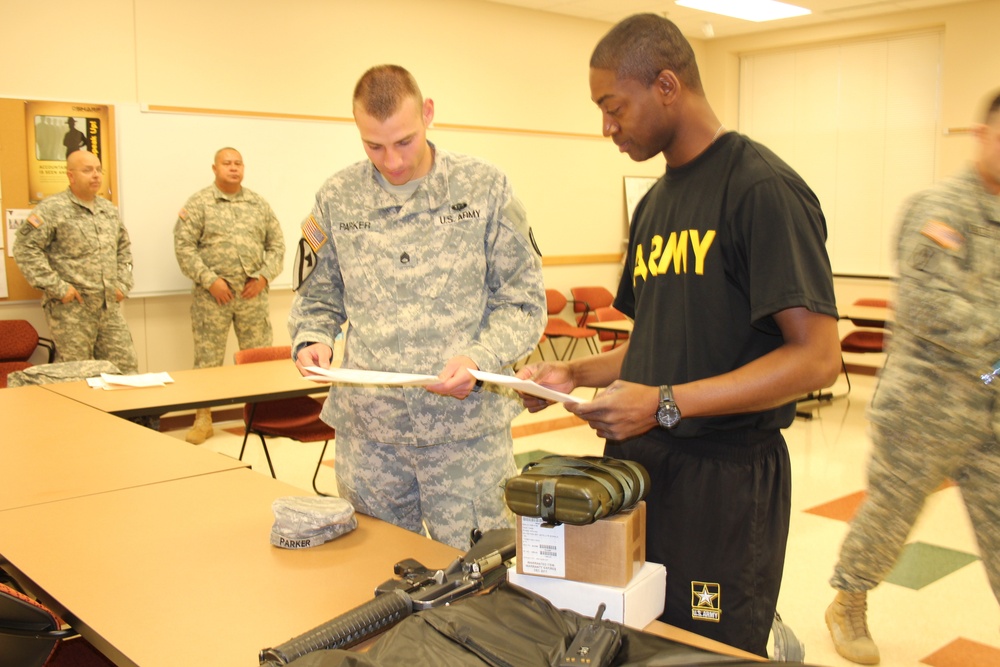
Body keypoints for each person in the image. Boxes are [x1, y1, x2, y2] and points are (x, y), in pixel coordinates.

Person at [516, 14, 842, 658]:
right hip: (643, 465)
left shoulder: (761, 190)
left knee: (707, 648)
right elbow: (662, 341)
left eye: (614, 107)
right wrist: (574, 375)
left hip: (727, 478)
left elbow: (818, 359)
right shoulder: (656, 206)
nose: (606, 127)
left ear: (667, 85)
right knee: (631, 634)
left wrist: (664, 401)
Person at [288, 65, 546, 551]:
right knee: (375, 578)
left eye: (404, 141)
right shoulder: (336, 198)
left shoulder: (485, 188)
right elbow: (317, 296)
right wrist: (313, 339)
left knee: (479, 573)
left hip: (465, 434)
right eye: (374, 146)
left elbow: (523, 301)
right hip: (372, 436)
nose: (393, 161)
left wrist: (479, 357)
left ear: (427, 114)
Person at [825, 91, 1000, 665]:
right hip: (924, 409)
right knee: (890, 515)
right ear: (982, 136)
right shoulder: (940, 210)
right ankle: (848, 601)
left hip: (991, 405)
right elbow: (929, 305)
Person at [174, 147, 285, 444]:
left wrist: (263, 277)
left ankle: (262, 417)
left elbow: (277, 246)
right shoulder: (199, 204)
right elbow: (184, 247)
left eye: (238, 163)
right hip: (213, 297)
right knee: (208, 362)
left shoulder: (258, 204)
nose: (233, 168)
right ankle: (203, 419)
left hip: (252, 294)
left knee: (259, 359)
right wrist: (210, 281)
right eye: (227, 163)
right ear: (214, 168)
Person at [14, 150, 139, 375]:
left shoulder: (108, 210)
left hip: (108, 307)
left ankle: (120, 412)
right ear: (71, 176)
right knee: (77, 374)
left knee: (126, 367)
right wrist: (59, 288)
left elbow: (124, 249)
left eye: (99, 170)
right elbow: (25, 249)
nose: (96, 175)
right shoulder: (52, 209)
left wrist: (123, 283)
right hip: (72, 310)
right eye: (87, 170)